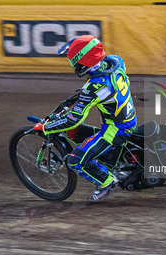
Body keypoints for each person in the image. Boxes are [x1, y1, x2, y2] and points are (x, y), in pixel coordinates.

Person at [33, 35, 137, 202]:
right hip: (127, 116)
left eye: (73, 61)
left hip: (116, 129)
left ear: (83, 61)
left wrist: (45, 128)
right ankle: (102, 159)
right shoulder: (115, 61)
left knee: (75, 161)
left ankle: (107, 182)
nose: (72, 65)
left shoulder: (94, 87)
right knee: (76, 134)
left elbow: (74, 119)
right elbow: (98, 88)